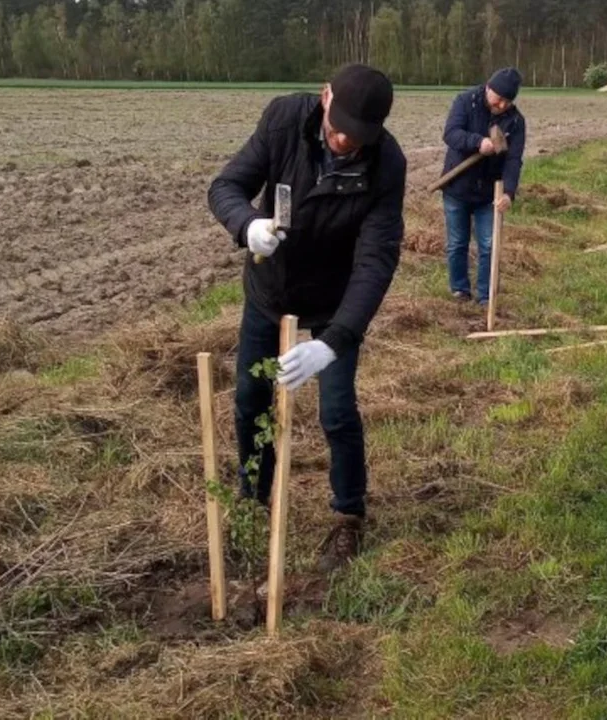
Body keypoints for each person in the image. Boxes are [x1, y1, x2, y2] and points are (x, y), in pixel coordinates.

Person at [207, 63, 406, 570]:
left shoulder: (386, 164)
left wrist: (333, 341)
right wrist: (246, 224)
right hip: (270, 295)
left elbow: (376, 259)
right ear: (324, 98)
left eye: (357, 135)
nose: (343, 140)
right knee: (252, 402)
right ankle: (255, 499)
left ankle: (348, 517)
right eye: (338, 127)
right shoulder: (283, 121)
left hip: (335, 303)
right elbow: (226, 185)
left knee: (336, 411)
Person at [440, 67, 527, 304]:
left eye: (507, 102)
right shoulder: (466, 102)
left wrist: (509, 192)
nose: (501, 106)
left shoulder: (516, 122)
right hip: (456, 186)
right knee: (457, 243)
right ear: (489, 87)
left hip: (490, 193)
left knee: (489, 245)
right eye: (498, 99)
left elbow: (513, 160)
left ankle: (486, 296)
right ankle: (459, 290)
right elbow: (451, 134)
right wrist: (477, 142)